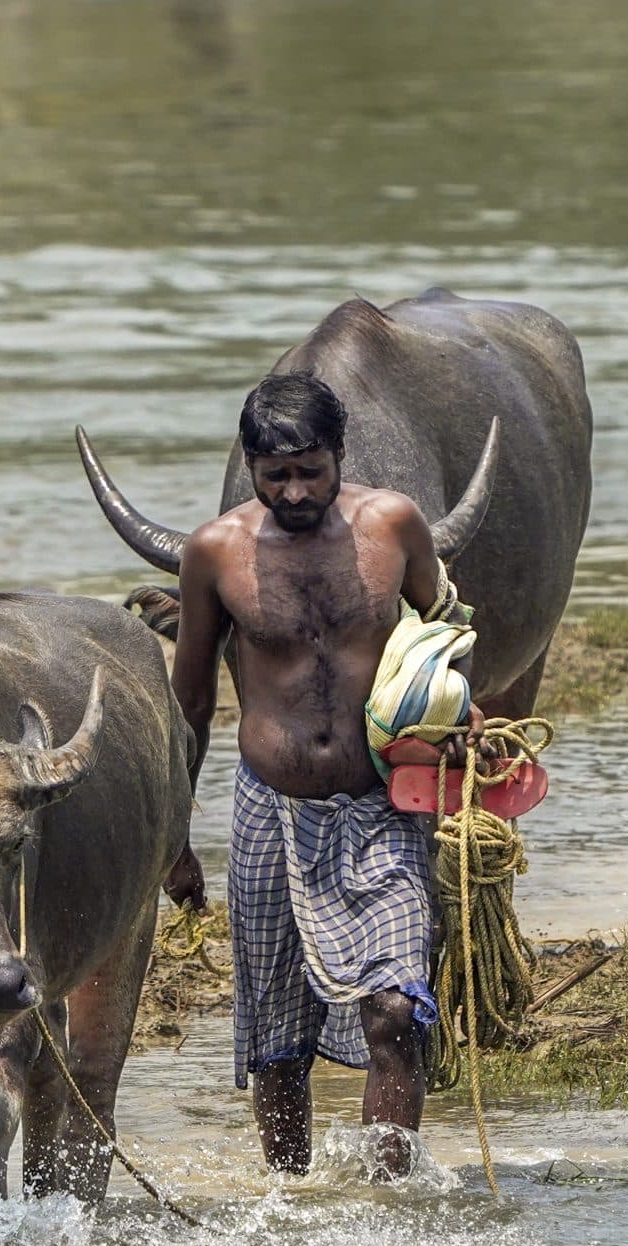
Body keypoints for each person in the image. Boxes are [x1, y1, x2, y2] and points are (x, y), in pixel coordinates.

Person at [170, 373, 456, 1176]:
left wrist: (454, 724)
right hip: (271, 811)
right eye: (275, 474)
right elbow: (189, 700)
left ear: (340, 457)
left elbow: (442, 637)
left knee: (399, 1012)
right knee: (276, 1038)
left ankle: (389, 1201)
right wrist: (175, 837)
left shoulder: (394, 525)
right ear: (251, 467)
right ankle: (289, 1197)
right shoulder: (214, 552)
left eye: (311, 470)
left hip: (382, 804)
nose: (295, 491)